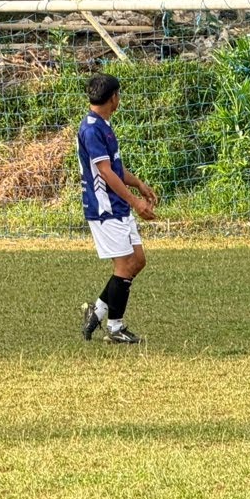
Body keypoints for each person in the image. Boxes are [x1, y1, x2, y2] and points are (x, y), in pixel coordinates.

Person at [77, 74, 158, 345]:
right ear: (113, 97)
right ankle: (115, 328)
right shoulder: (91, 130)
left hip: (118, 206)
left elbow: (116, 169)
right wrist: (136, 202)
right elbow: (106, 172)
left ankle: (98, 311)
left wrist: (139, 184)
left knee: (137, 261)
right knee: (124, 265)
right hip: (104, 208)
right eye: (119, 95)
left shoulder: (103, 125)